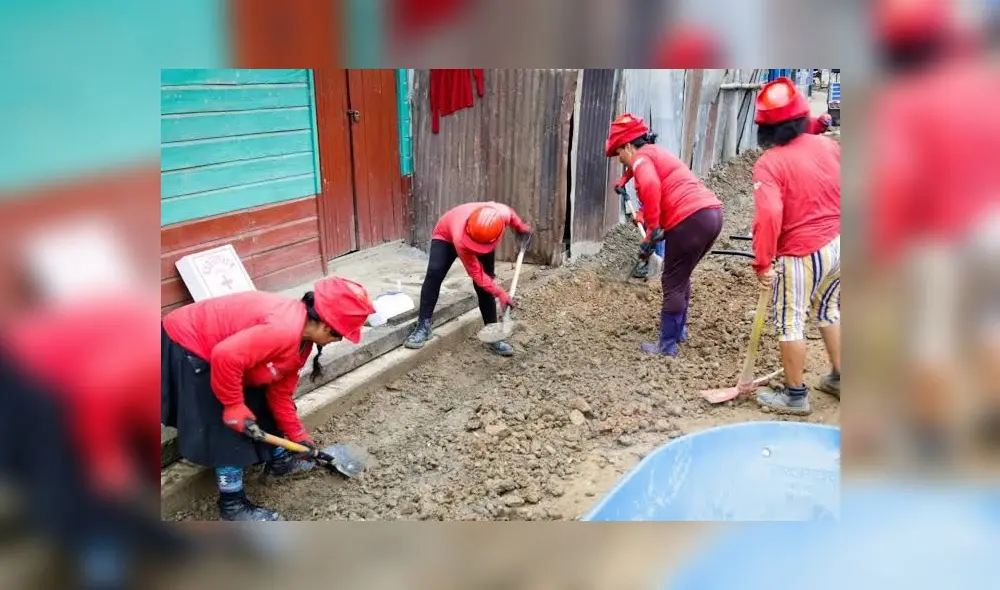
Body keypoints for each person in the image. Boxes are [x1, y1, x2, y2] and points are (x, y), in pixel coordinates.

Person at [161, 276, 375, 521]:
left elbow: (279, 394)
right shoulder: (283, 330)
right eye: (340, 337)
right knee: (227, 428)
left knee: (261, 400)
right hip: (188, 345)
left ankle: (279, 460)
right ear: (327, 328)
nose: (339, 341)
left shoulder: (301, 342)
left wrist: (299, 437)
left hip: (226, 352)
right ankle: (232, 506)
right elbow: (225, 356)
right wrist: (233, 405)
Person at [749, 77, 842, 415]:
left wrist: (763, 263)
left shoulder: (770, 163)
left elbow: (770, 215)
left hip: (802, 253)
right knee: (828, 310)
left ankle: (795, 394)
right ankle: (841, 377)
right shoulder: (828, 146)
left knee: (791, 321)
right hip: (839, 244)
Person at [605, 113, 724, 356]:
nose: (620, 160)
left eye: (619, 153)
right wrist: (623, 180)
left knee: (671, 281)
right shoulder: (652, 152)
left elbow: (649, 184)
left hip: (689, 219)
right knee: (681, 276)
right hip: (710, 215)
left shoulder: (640, 161)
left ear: (628, 145)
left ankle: (666, 346)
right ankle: (679, 331)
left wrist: (652, 230)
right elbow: (641, 169)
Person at [404, 202, 532, 356]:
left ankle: (493, 334)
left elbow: (511, 214)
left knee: (484, 288)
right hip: (446, 234)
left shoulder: (501, 214)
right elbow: (477, 275)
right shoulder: (460, 238)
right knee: (435, 273)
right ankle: (423, 325)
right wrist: (501, 294)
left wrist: (520, 227)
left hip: (484, 238)